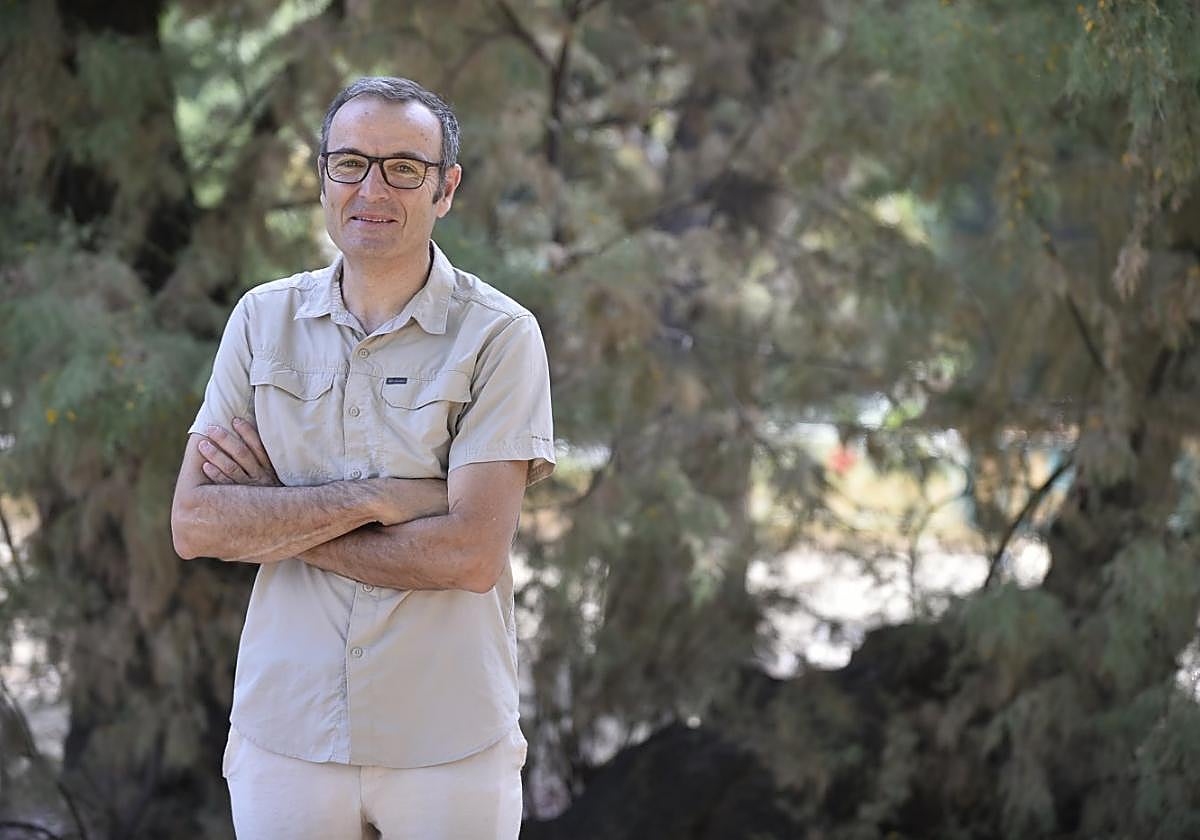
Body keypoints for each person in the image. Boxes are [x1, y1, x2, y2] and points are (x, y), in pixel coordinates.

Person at [170, 76, 555, 840]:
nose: (372, 189)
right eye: (349, 163)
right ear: (323, 178)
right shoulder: (261, 320)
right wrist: (383, 498)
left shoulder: (499, 336)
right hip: (286, 733)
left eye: (403, 168)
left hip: (448, 739)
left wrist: (276, 515)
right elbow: (195, 524)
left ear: (446, 189)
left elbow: (470, 555)